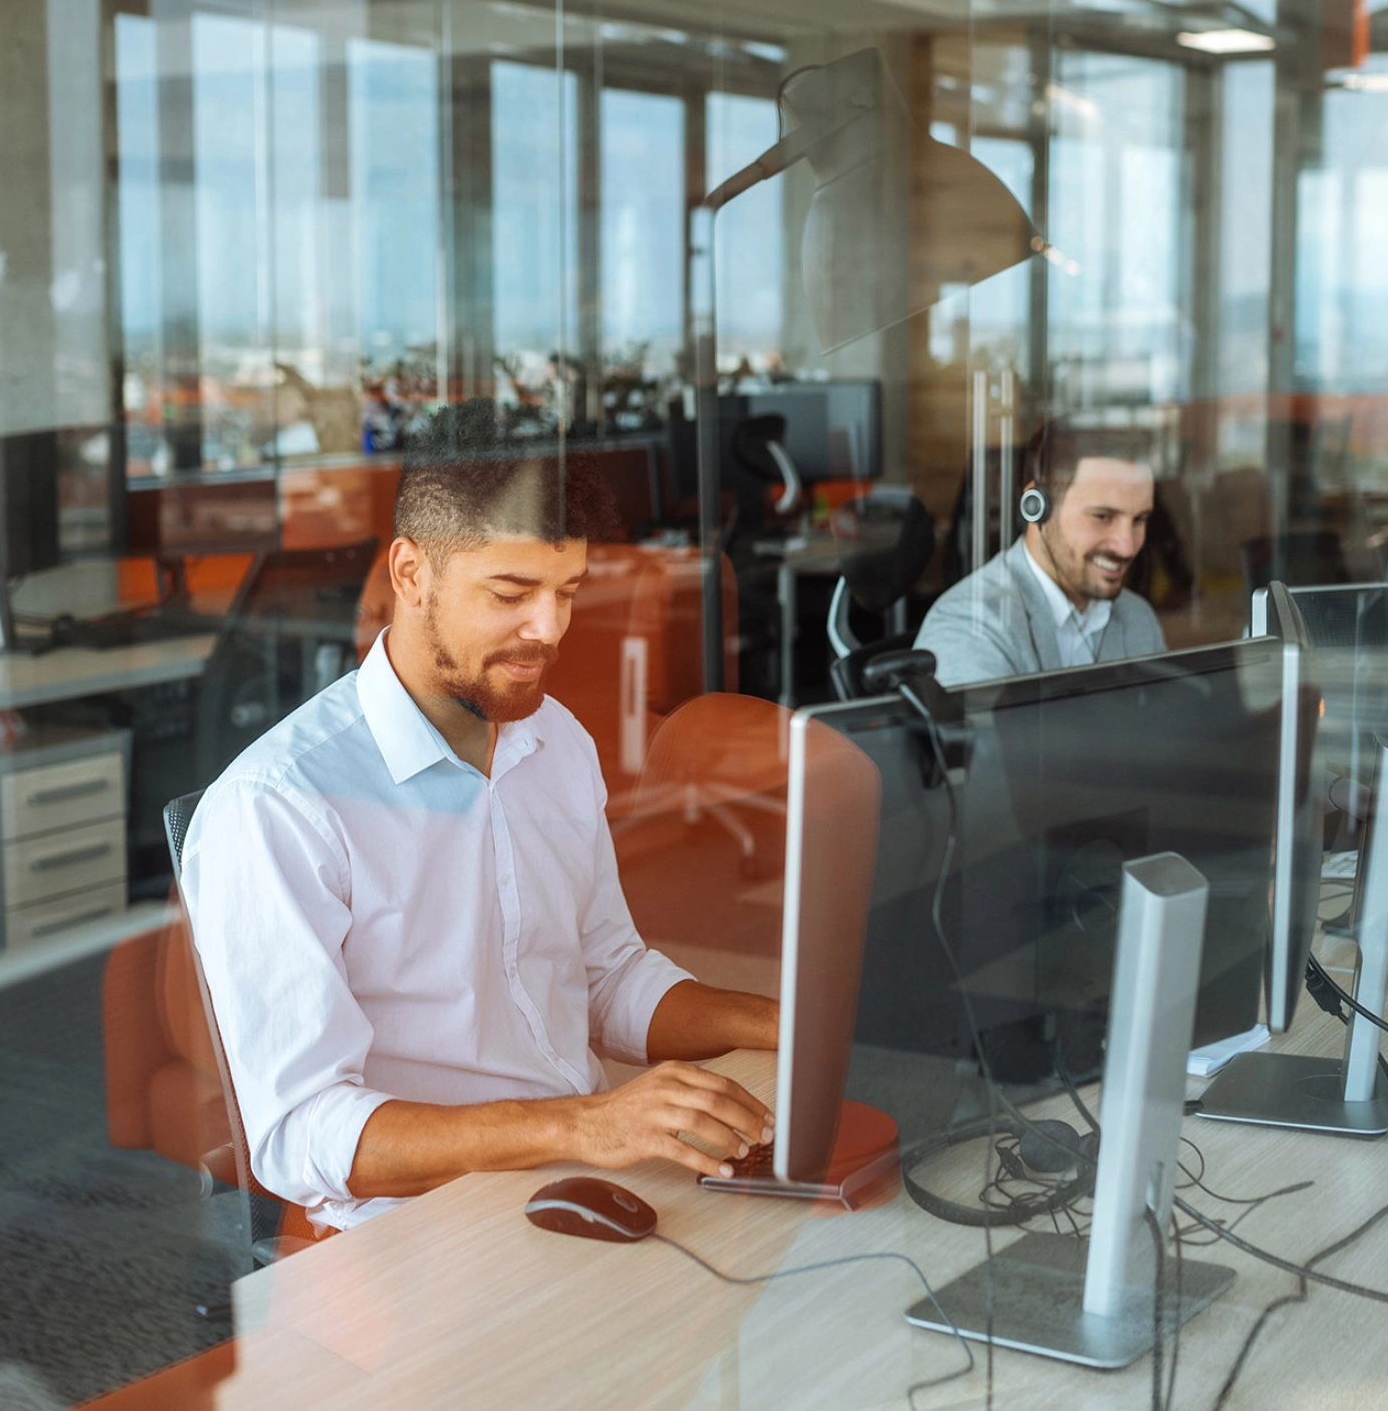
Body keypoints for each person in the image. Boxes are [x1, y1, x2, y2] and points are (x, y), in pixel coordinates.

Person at [180, 401, 779, 1231]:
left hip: (582, 1176)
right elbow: (300, 1131)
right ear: (410, 572)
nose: (551, 628)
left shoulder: (554, 740)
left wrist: (783, 1021)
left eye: (568, 591)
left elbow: (606, 976)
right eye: (512, 592)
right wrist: (584, 1123)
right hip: (419, 1231)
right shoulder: (280, 805)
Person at [916, 425, 1166, 686]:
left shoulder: (1136, 617)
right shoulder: (970, 625)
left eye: (1140, 520)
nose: (1126, 546)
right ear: (1036, 506)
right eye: (1102, 517)